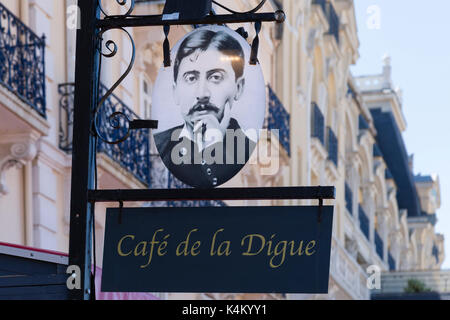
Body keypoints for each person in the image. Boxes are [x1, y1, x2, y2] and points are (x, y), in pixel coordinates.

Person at [154, 28, 256, 188]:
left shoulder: (249, 150)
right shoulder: (160, 144)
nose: (202, 93)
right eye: (191, 78)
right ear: (175, 91)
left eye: (215, 77)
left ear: (238, 87)